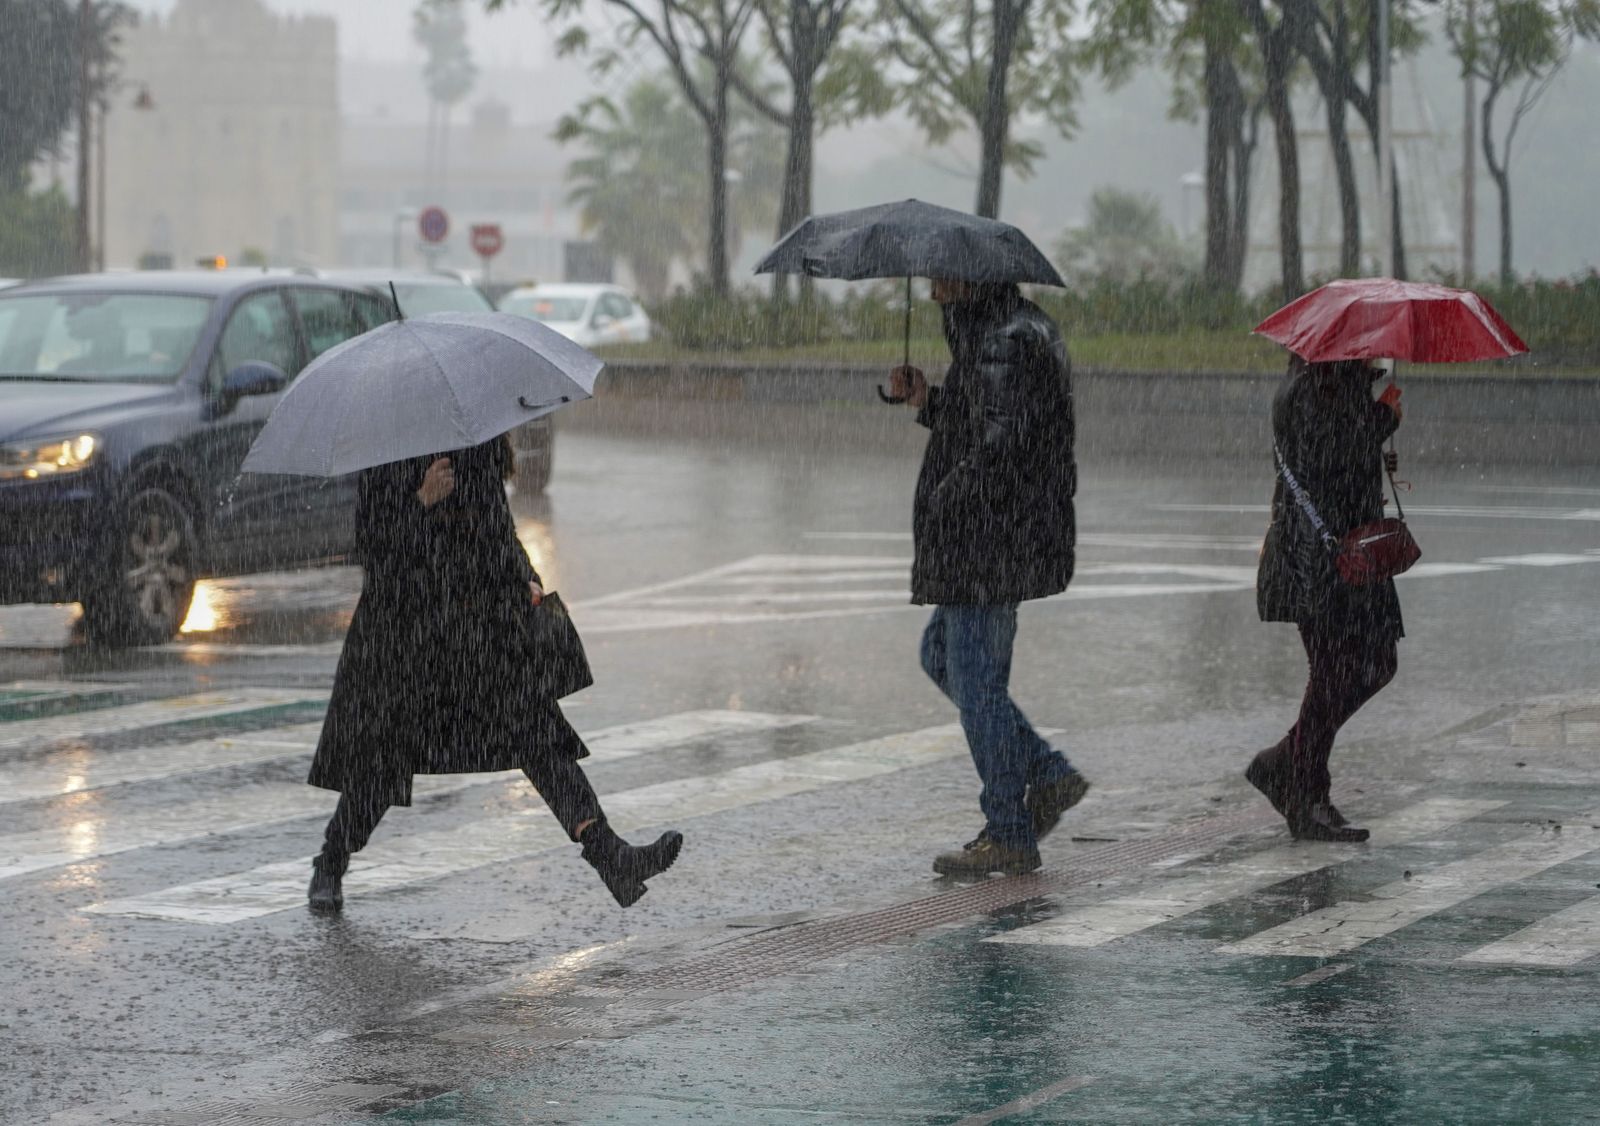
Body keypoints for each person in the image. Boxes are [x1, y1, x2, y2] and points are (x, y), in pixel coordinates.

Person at [305, 435, 682, 912]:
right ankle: (331, 862)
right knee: (382, 760)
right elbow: (376, 556)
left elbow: (498, 530)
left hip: (480, 629)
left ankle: (612, 857)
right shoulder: (389, 449)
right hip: (407, 638)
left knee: (538, 738)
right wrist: (420, 502)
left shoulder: (474, 442)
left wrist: (525, 574)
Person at [887, 278, 1090, 877]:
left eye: (939, 277)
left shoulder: (1004, 340)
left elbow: (1001, 445)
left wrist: (949, 498)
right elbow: (987, 420)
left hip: (987, 539)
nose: (929, 291)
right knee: (942, 657)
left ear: (970, 279)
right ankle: (1046, 773)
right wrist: (930, 400)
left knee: (976, 684)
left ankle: (1008, 830)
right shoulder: (1000, 334)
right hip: (993, 536)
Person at [1249, 358, 1405, 843]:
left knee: (1378, 662)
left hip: (1353, 549)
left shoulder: (1340, 385)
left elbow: (1343, 457)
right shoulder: (1309, 389)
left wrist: (1375, 433)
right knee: (1333, 672)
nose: (1375, 351)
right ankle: (1309, 795)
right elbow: (1324, 457)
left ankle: (1283, 763)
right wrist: (1381, 421)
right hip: (1318, 553)